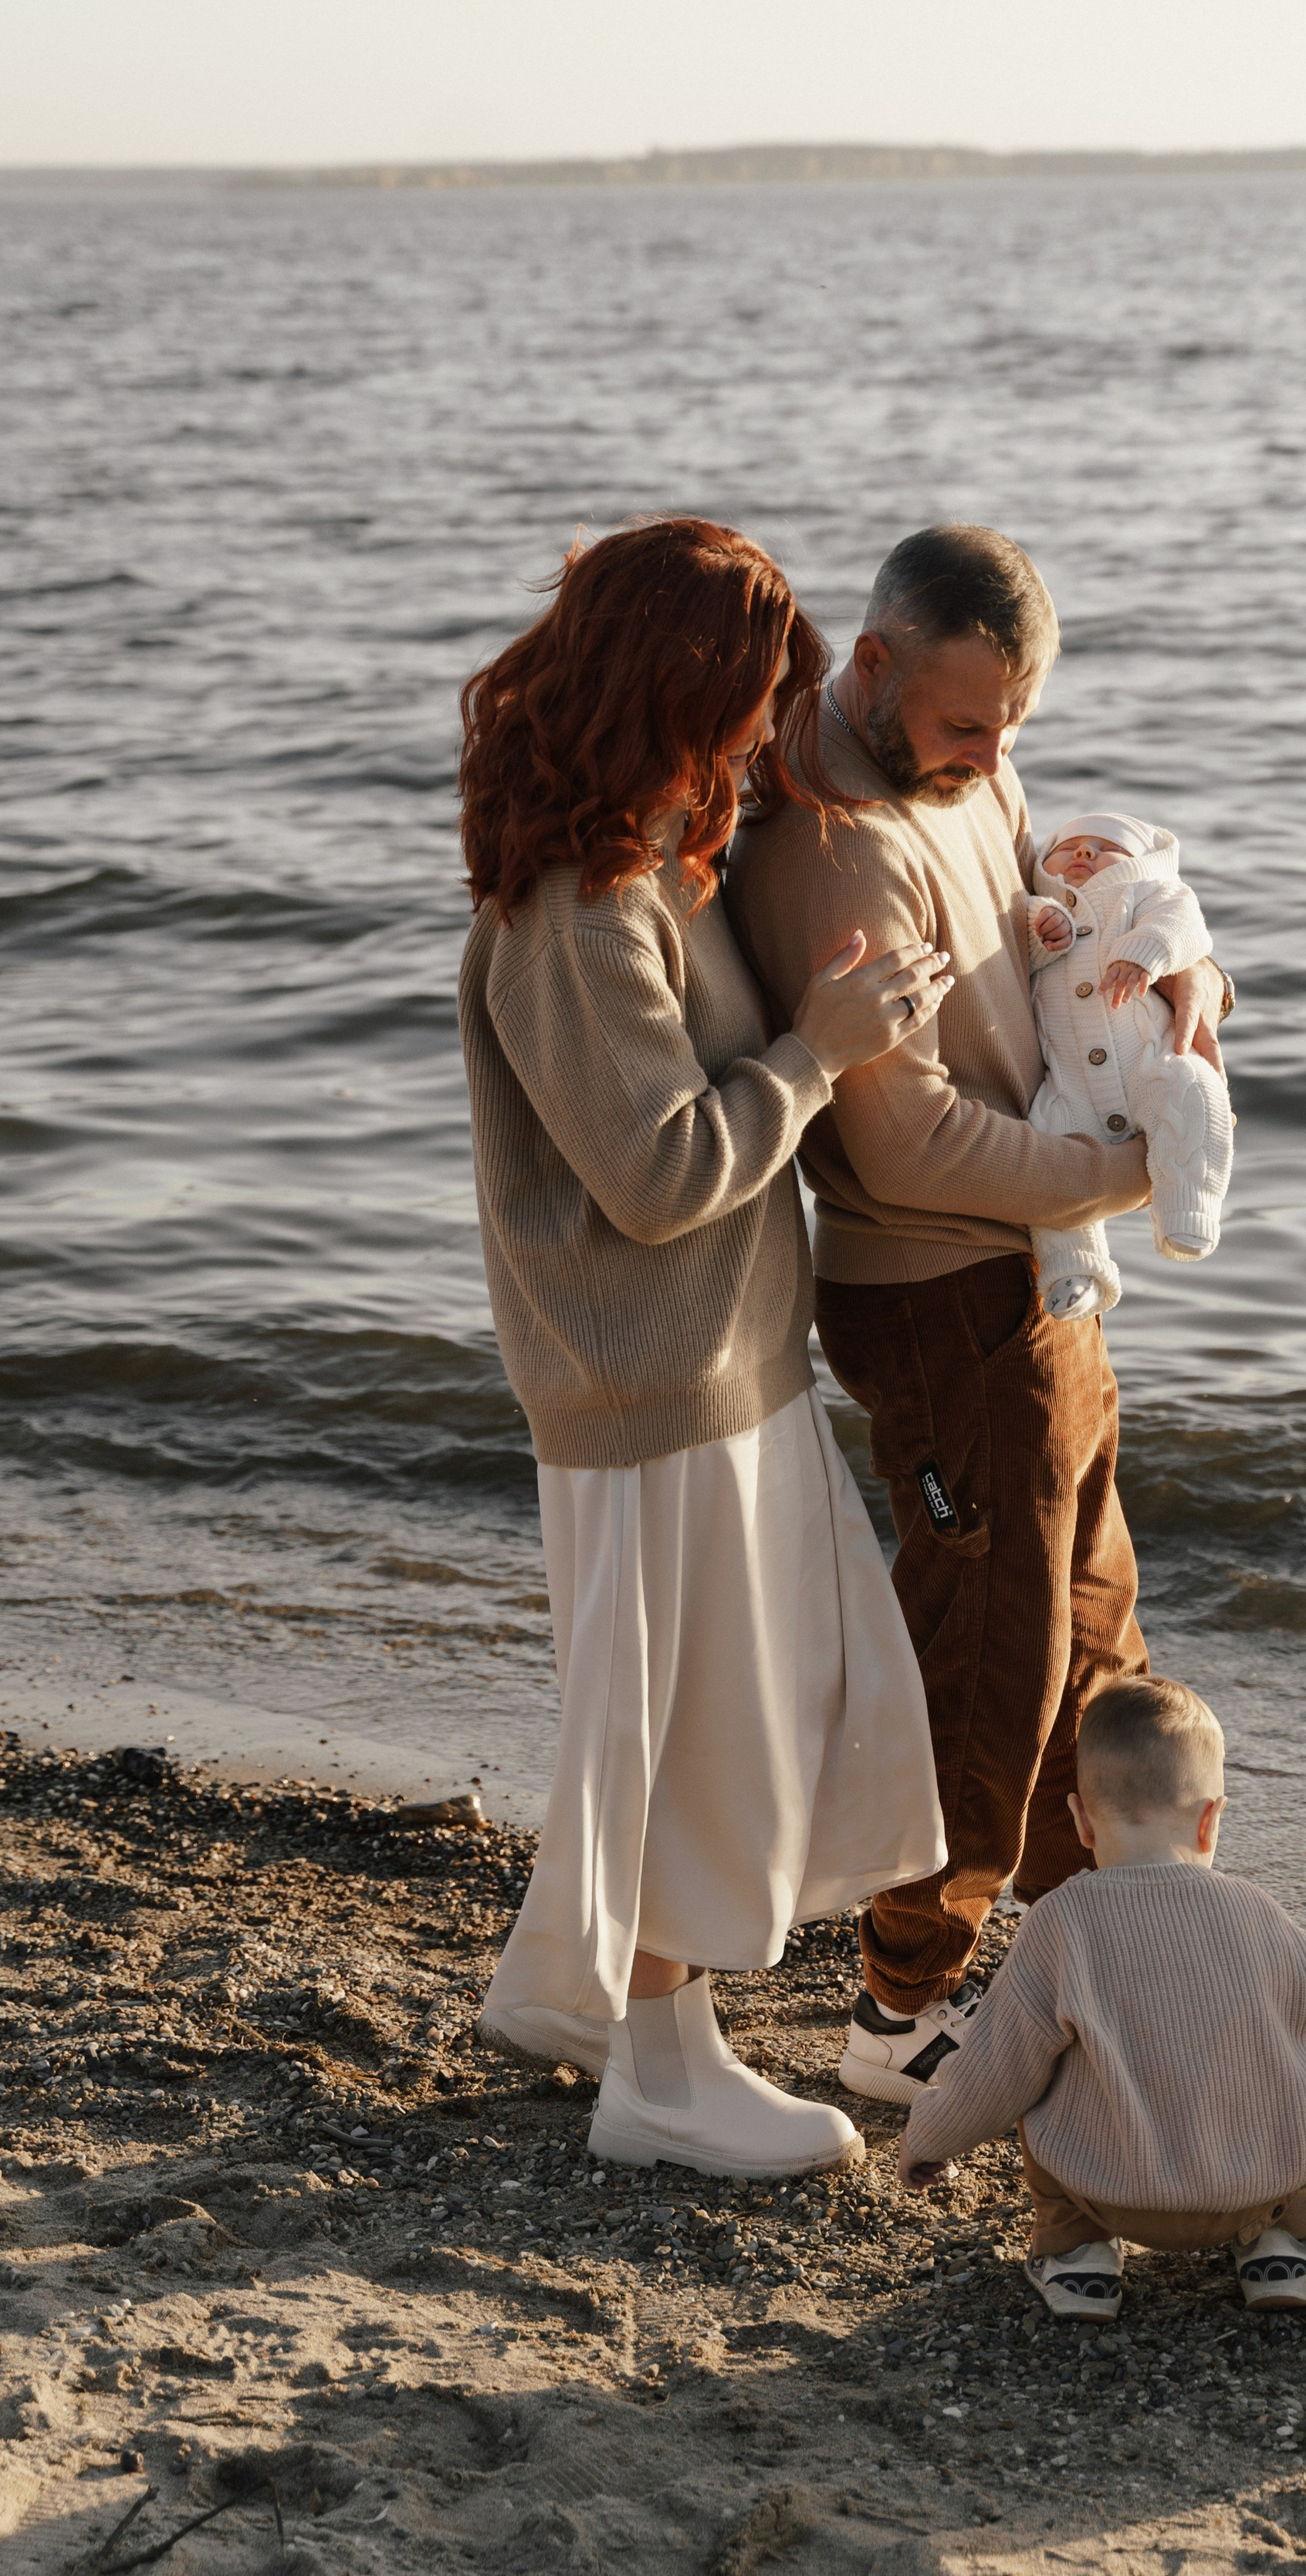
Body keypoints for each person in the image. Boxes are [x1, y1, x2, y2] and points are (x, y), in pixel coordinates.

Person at [456, 515, 950, 2181]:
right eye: (746, 700)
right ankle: (661, 2073)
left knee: (703, 1707)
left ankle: (580, 2002)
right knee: (697, 1729)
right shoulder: (579, 913)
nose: (762, 732)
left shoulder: (660, 857)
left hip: (711, 1365)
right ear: (669, 689)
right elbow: (659, 1174)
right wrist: (815, 1055)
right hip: (650, 1382)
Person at [728, 524, 1233, 2102]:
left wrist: (1170, 981)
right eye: (964, 723)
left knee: (1094, 1639)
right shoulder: (829, 845)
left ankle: (1117, 1950)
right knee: (987, 1670)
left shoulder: (967, 768)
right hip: (938, 1298)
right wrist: (1124, 1168)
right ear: (868, 665)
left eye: (1012, 722)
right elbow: (905, 1139)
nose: (994, 755)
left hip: (1039, 1276)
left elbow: (1037, 947)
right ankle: (896, 2011)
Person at [897, 1676, 1306, 2319]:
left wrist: (928, 2138)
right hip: (1261, 2186)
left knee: (1042, 2068)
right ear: (1211, 1819)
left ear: (1081, 1821)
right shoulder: (1263, 1912)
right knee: (1283, 2065)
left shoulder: (1062, 1922)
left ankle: (1078, 2256)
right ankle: (1278, 2250)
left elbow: (994, 2071)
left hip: (1111, 2194)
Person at [1023, 811, 1235, 1320]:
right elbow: (1010, 943)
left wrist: (1146, 954)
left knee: (1195, 1090)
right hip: (1068, 1087)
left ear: (1140, 861)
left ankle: (1187, 1207)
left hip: (1146, 1061)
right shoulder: (1036, 905)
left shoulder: (1150, 893)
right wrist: (1039, 930)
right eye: (1068, 845)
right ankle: (1074, 1266)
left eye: (1104, 846)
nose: (1083, 853)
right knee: (1045, 1153)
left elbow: (1183, 927)